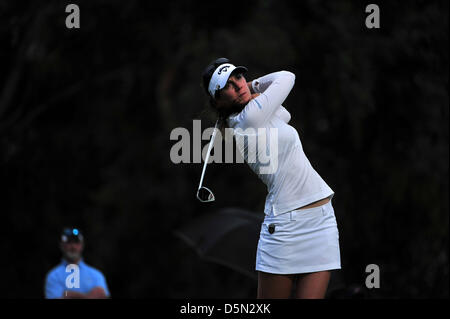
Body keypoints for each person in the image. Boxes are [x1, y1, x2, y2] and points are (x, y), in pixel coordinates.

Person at [201, 57, 341, 298]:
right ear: (218, 100)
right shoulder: (248, 120)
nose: (239, 85)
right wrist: (255, 87)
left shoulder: (256, 113)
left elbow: (283, 114)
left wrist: (252, 93)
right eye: (229, 86)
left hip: (322, 220)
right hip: (286, 226)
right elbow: (287, 77)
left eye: (239, 78)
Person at [44, 227, 110, 299]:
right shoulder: (54, 276)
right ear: (61, 245)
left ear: (82, 245)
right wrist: (88, 296)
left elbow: (102, 295)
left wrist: (69, 294)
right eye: (69, 242)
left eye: (76, 242)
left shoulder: (96, 275)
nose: (73, 246)